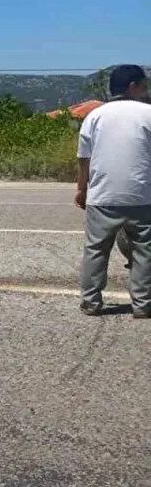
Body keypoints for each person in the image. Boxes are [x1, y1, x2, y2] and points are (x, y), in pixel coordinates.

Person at [76, 64, 151, 318]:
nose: (145, 89)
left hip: (102, 196)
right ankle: (143, 305)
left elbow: (84, 158)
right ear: (133, 86)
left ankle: (91, 302)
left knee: (96, 250)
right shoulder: (148, 113)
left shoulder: (95, 116)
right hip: (142, 196)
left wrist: (81, 189)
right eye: (143, 84)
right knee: (144, 251)